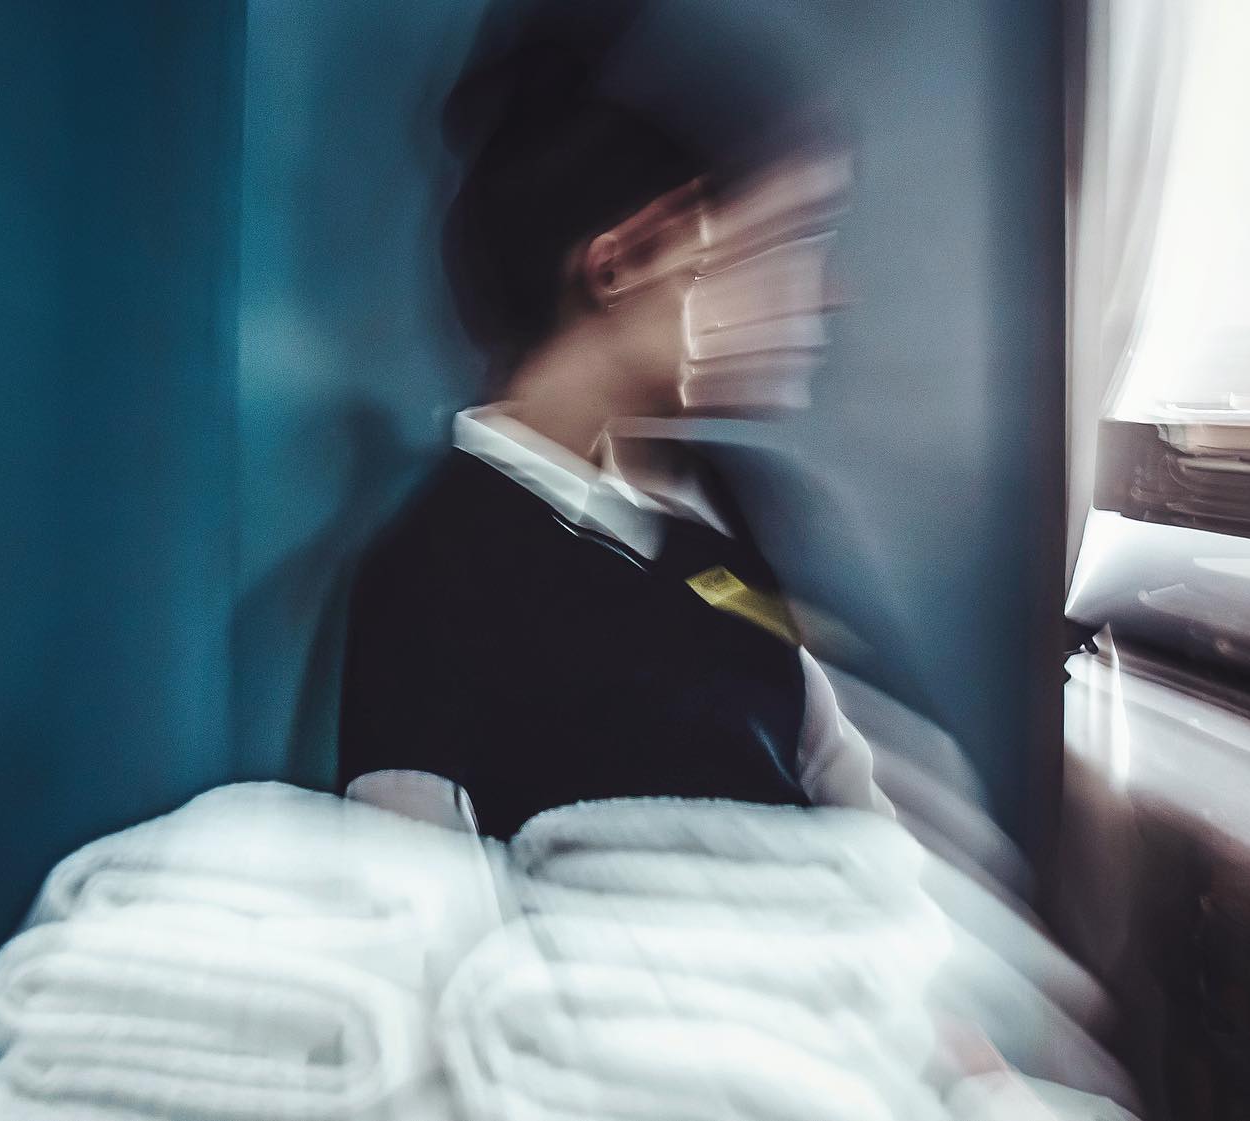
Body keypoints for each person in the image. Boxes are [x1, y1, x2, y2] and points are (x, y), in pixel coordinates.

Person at [336, 1, 890, 838]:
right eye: (763, 249)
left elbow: (848, 785)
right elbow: (411, 886)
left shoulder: (725, 514)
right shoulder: (432, 574)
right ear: (617, 265)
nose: (822, 293)